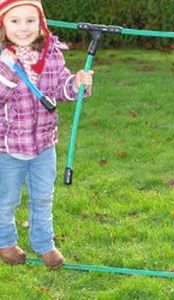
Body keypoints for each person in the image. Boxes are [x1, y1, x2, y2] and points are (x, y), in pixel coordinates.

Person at [0, 0, 93, 269]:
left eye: (31, 20)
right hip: (8, 147)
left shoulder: (50, 54)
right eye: (15, 21)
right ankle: (5, 241)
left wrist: (75, 83)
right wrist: (7, 68)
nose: (24, 28)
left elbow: (58, 89)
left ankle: (44, 244)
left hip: (43, 144)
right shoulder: (2, 59)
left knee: (43, 196)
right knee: (6, 199)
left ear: (40, 23)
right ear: (3, 24)